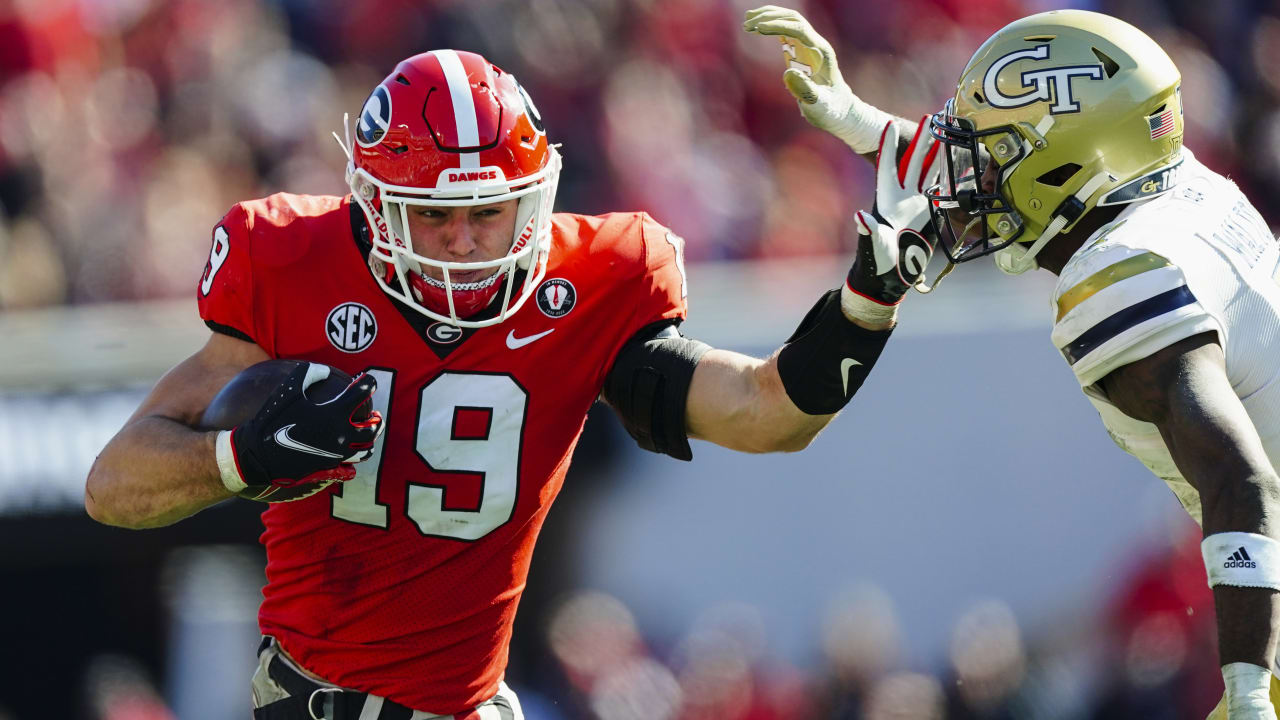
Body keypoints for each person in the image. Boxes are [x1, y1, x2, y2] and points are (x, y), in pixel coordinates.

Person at [83, 48, 935, 719]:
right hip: (313, 701)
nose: (460, 244)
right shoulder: (292, 266)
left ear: (534, 200)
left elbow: (765, 414)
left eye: (486, 212)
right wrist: (239, 459)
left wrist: (868, 297)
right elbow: (112, 485)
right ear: (375, 206)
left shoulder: (593, 287)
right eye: (433, 215)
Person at [745, 6, 1280, 719]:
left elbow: (1238, 473)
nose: (969, 183)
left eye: (992, 158)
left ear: (1064, 160)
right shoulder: (1182, 189)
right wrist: (853, 118)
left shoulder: (1117, 274)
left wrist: (1250, 687)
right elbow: (993, 171)